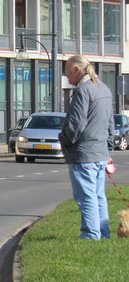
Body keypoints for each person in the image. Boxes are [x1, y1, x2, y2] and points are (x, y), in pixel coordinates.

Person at [58, 55, 114, 240]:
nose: (66, 75)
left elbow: (76, 124)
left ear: (77, 70)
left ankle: (90, 234)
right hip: (100, 152)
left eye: (67, 70)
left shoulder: (83, 91)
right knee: (99, 196)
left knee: (86, 197)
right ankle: (103, 234)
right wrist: (108, 148)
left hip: (84, 154)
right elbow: (110, 124)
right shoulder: (103, 88)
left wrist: (64, 140)